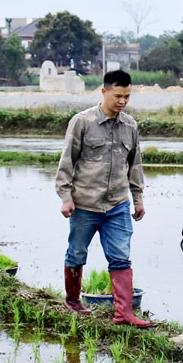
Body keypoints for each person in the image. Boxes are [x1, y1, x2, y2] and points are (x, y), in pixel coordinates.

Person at [55, 69, 152, 327]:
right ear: (104, 91)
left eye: (127, 97)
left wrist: (138, 198)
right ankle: (73, 301)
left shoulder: (130, 125)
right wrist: (66, 196)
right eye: (118, 96)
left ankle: (124, 313)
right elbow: (67, 162)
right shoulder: (82, 122)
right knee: (76, 253)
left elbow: (135, 165)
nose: (122, 101)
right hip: (85, 204)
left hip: (118, 205)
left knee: (121, 256)